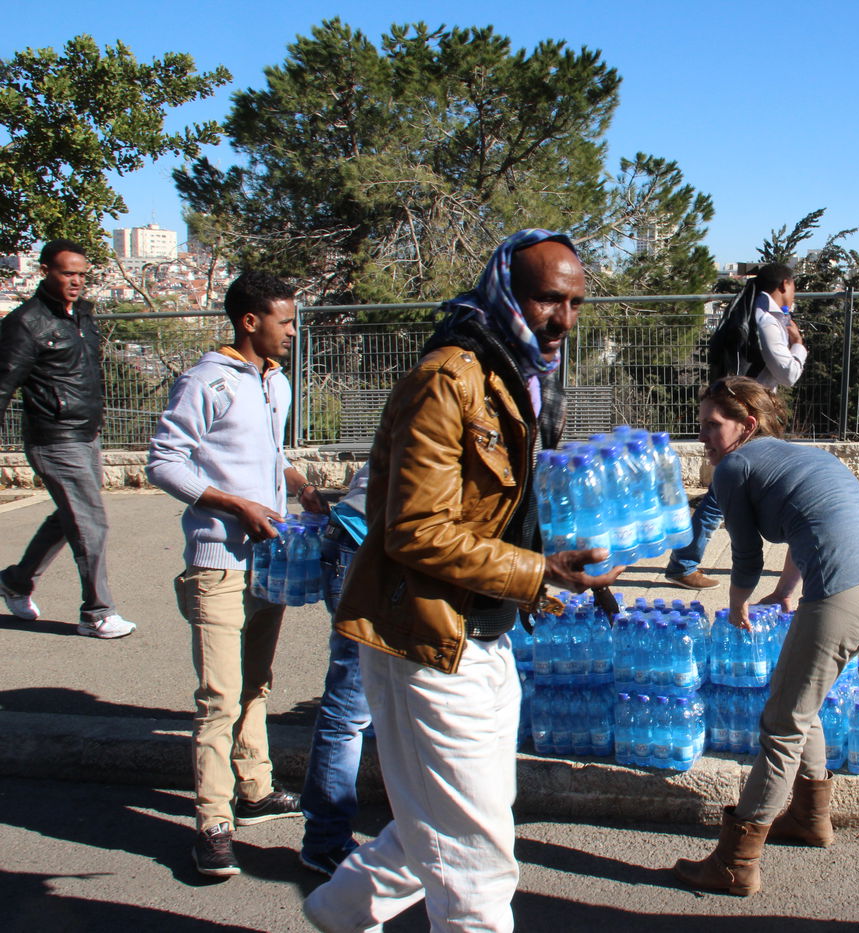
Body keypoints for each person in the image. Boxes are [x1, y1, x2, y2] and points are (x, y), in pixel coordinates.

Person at [302, 230, 621, 933]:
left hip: (483, 632)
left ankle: (335, 912)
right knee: (476, 863)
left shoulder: (520, 374)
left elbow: (497, 515)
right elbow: (414, 528)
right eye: (547, 298)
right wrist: (538, 571)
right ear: (508, 290)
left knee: (447, 825)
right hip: (429, 638)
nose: (563, 318)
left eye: (573, 302)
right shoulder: (452, 377)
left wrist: (561, 561)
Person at [672, 375, 859, 896]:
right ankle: (810, 818)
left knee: (782, 722)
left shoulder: (735, 466)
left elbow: (747, 554)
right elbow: (811, 527)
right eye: (702, 424)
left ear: (746, 425)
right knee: (804, 700)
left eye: (713, 425)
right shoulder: (808, 458)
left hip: (844, 591)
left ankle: (735, 862)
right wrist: (787, 592)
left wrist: (737, 604)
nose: (704, 436)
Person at [147, 270, 327, 877]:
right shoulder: (207, 381)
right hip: (217, 563)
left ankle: (254, 789)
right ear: (250, 322)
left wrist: (301, 488)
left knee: (257, 683)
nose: (293, 332)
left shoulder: (275, 384)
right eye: (286, 321)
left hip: (268, 560)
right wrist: (236, 506)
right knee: (218, 698)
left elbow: (268, 455)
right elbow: (164, 462)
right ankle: (212, 823)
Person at [0, 239, 135, 638]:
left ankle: (16, 582)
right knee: (90, 523)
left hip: (85, 431)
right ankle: (97, 613)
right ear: (45, 272)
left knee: (70, 517)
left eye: (81, 274)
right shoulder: (25, 323)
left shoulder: (84, 316)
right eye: (67, 273)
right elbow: (3, 383)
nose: (76, 281)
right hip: (53, 436)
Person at [667, 262, 806, 590]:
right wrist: (798, 344)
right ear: (784, 284)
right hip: (750, 417)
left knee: (725, 488)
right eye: (794, 287)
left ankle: (684, 561)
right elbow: (788, 373)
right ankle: (684, 562)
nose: (794, 294)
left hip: (748, 414)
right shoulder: (769, 319)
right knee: (723, 491)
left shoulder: (754, 309)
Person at [299, 464, 372, 877]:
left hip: (371, 541)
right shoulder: (449, 401)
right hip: (363, 546)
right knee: (350, 705)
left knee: (377, 699)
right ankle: (325, 840)